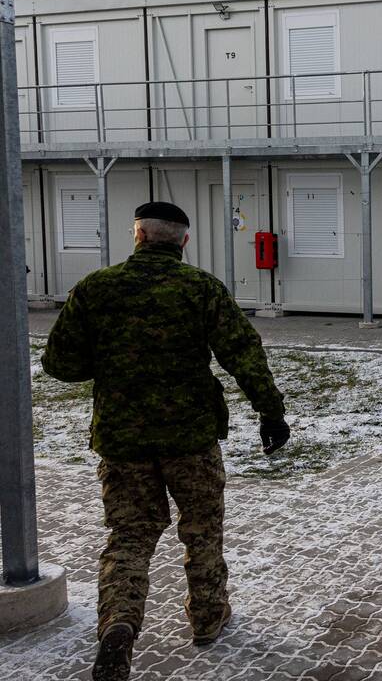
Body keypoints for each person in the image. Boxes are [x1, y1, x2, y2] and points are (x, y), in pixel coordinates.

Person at [41, 201, 291, 681]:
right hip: (190, 437)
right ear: (184, 241)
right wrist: (271, 411)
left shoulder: (96, 288)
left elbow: (59, 364)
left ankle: (119, 624)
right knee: (202, 528)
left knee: (129, 536)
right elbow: (242, 352)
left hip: (122, 438)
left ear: (137, 235)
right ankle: (207, 617)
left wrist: (113, 361)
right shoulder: (200, 288)